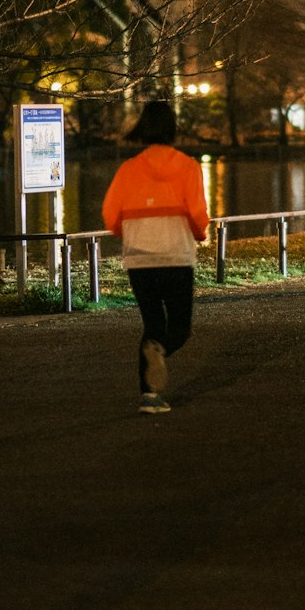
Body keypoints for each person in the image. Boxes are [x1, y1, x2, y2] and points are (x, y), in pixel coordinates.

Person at [102, 99, 210, 413]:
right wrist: (199, 234)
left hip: (139, 259)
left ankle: (149, 396)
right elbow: (198, 213)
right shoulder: (188, 166)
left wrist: (131, 234)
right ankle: (160, 353)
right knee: (179, 327)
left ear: (143, 127)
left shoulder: (128, 169)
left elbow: (110, 215)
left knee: (151, 325)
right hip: (176, 256)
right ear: (173, 128)